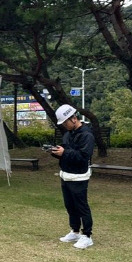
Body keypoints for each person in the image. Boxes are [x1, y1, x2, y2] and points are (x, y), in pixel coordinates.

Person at [50, 104, 96, 249]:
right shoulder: (68, 134)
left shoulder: (86, 135)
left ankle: (87, 235)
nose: (64, 126)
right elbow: (66, 154)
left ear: (74, 118)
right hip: (66, 175)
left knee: (81, 206)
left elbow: (83, 157)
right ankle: (75, 231)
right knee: (70, 206)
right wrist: (55, 152)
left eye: (65, 123)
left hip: (79, 177)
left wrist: (64, 153)